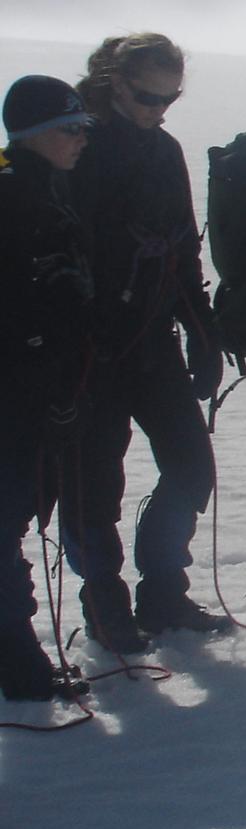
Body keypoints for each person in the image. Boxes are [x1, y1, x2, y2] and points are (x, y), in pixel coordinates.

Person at [65, 32, 228, 649]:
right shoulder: (74, 142)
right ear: (112, 81)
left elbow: (183, 247)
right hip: (87, 348)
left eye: (169, 99)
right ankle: (105, 603)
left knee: (190, 466)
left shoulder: (163, 150)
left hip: (150, 338)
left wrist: (202, 330)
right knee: (93, 482)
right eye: (145, 97)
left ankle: (163, 592)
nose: (157, 111)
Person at [1, 78, 97, 699]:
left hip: (36, 390)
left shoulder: (39, 189)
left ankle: (20, 660)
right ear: (35, 134)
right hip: (19, 395)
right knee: (7, 521)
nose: (81, 139)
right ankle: (19, 666)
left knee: (12, 521)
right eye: (71, 128)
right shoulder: (18, 197)